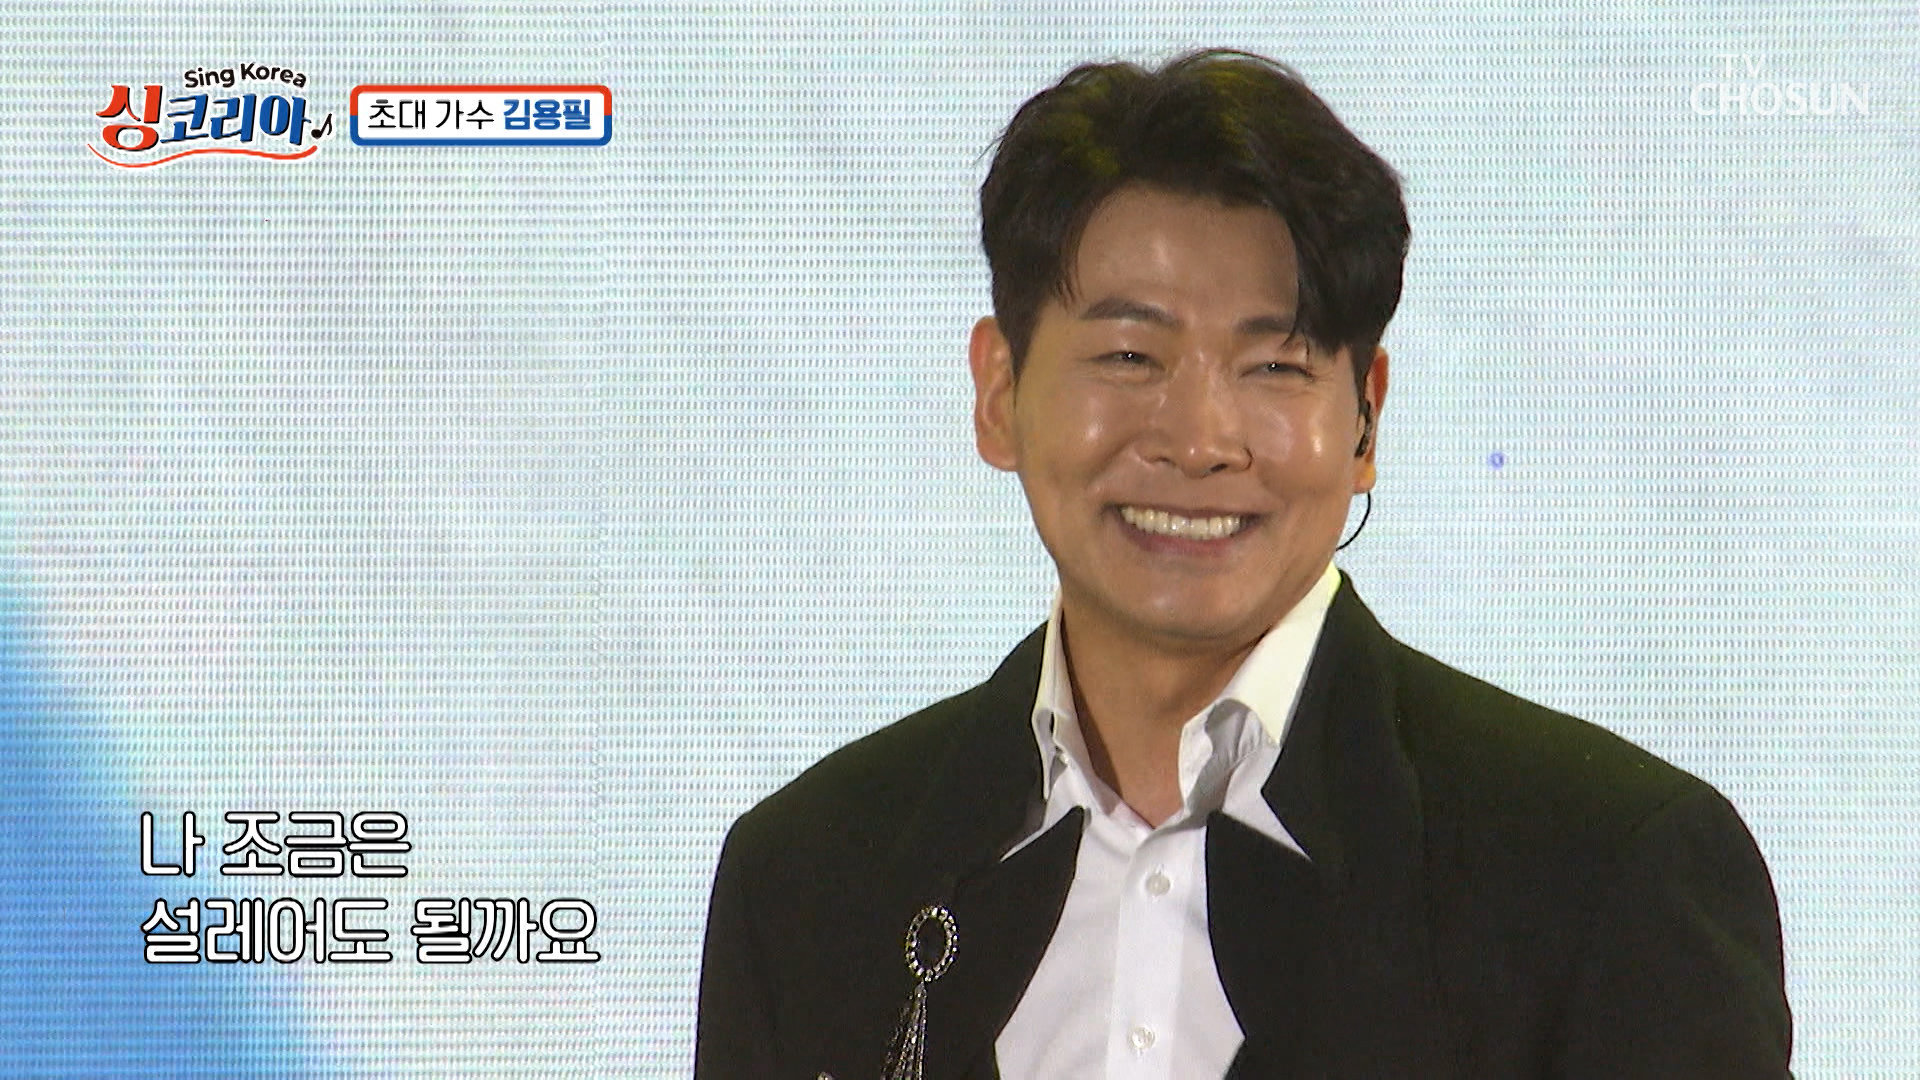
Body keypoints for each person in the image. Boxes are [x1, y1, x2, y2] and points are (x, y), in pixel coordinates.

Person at [695, 50, 1792, 1079]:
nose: (1200, 440)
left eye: (1276, 365)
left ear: (1364, 421)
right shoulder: (807, 877)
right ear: (999, 392)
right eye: (1131, 354)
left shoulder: (1607, 874)